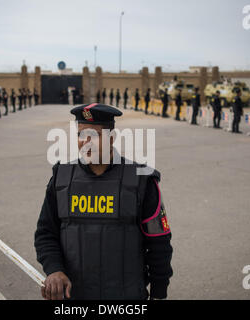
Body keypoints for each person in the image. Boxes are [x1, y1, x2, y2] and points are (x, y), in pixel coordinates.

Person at [34, 103, 173, 300]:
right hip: (74, 298)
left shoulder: (141, 180)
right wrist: (54, 269)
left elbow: (159, 244)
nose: (86, 142)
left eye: (94, 135)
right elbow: (45, 234)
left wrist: (159, 294)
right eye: (81, 135)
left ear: (112, 138)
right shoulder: (61, 177)